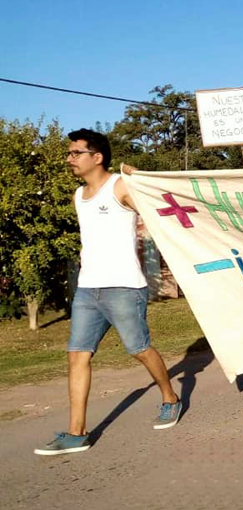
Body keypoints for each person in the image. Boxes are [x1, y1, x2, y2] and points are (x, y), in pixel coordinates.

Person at [35, 129, 181, 456]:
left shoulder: (120, 186)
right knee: (77, 355)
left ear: (96, 157)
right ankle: (76, 433)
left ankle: (170, 398)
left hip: (125, 287)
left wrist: (142, 180)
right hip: (88, 289)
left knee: (139, 349)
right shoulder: (78, 195)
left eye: (76, 153)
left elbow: (161, 206)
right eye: (69, 153)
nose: (69, 159)